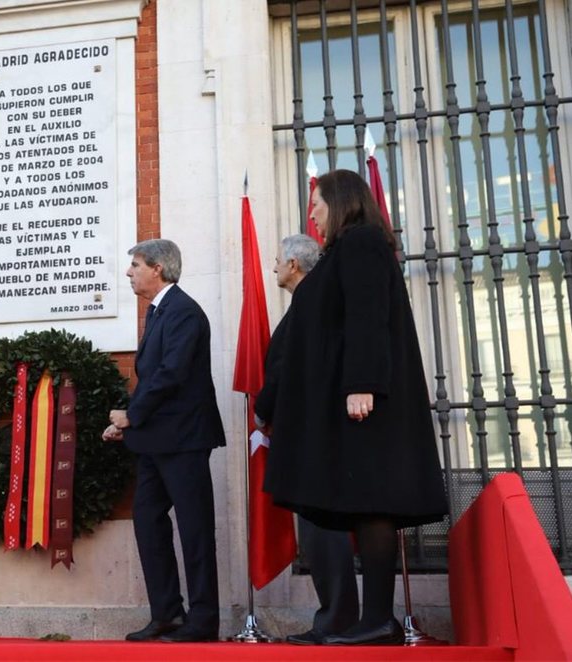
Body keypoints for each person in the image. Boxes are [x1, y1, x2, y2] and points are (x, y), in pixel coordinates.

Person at [264, 169, 447, 646]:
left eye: (317, 207)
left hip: (367, 405)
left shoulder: (362, 242)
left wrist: (362, 383)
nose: (313, 216)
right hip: (355, 407)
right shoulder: (344, 250)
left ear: (341, 203)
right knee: (367, 509)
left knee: (374, 509)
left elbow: (368, 317)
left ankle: (379, 622)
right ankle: (373, 621)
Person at [103, 239, 225, 643]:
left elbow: (171, 374)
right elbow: (153, 377)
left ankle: (203, 619)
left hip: (184, 440)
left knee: (194, 529)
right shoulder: (158, 312)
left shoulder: (184, 311)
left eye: (134, 265)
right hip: (154, 441)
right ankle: (167, 614)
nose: (128, 272)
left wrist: (132, 415)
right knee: (148, 523)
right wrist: (127, 424)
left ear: (157, 268)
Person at [253, 234, 359, 645]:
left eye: (278, 260)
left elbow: (284, 366)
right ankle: (335, 617)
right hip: (312, 432)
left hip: (312, 436)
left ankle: (335, 621)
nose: (274, 266)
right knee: (318, 530)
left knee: (320, 529)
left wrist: (264, 410)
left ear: (294, 266)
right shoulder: (310, 300)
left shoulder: (309, 300)